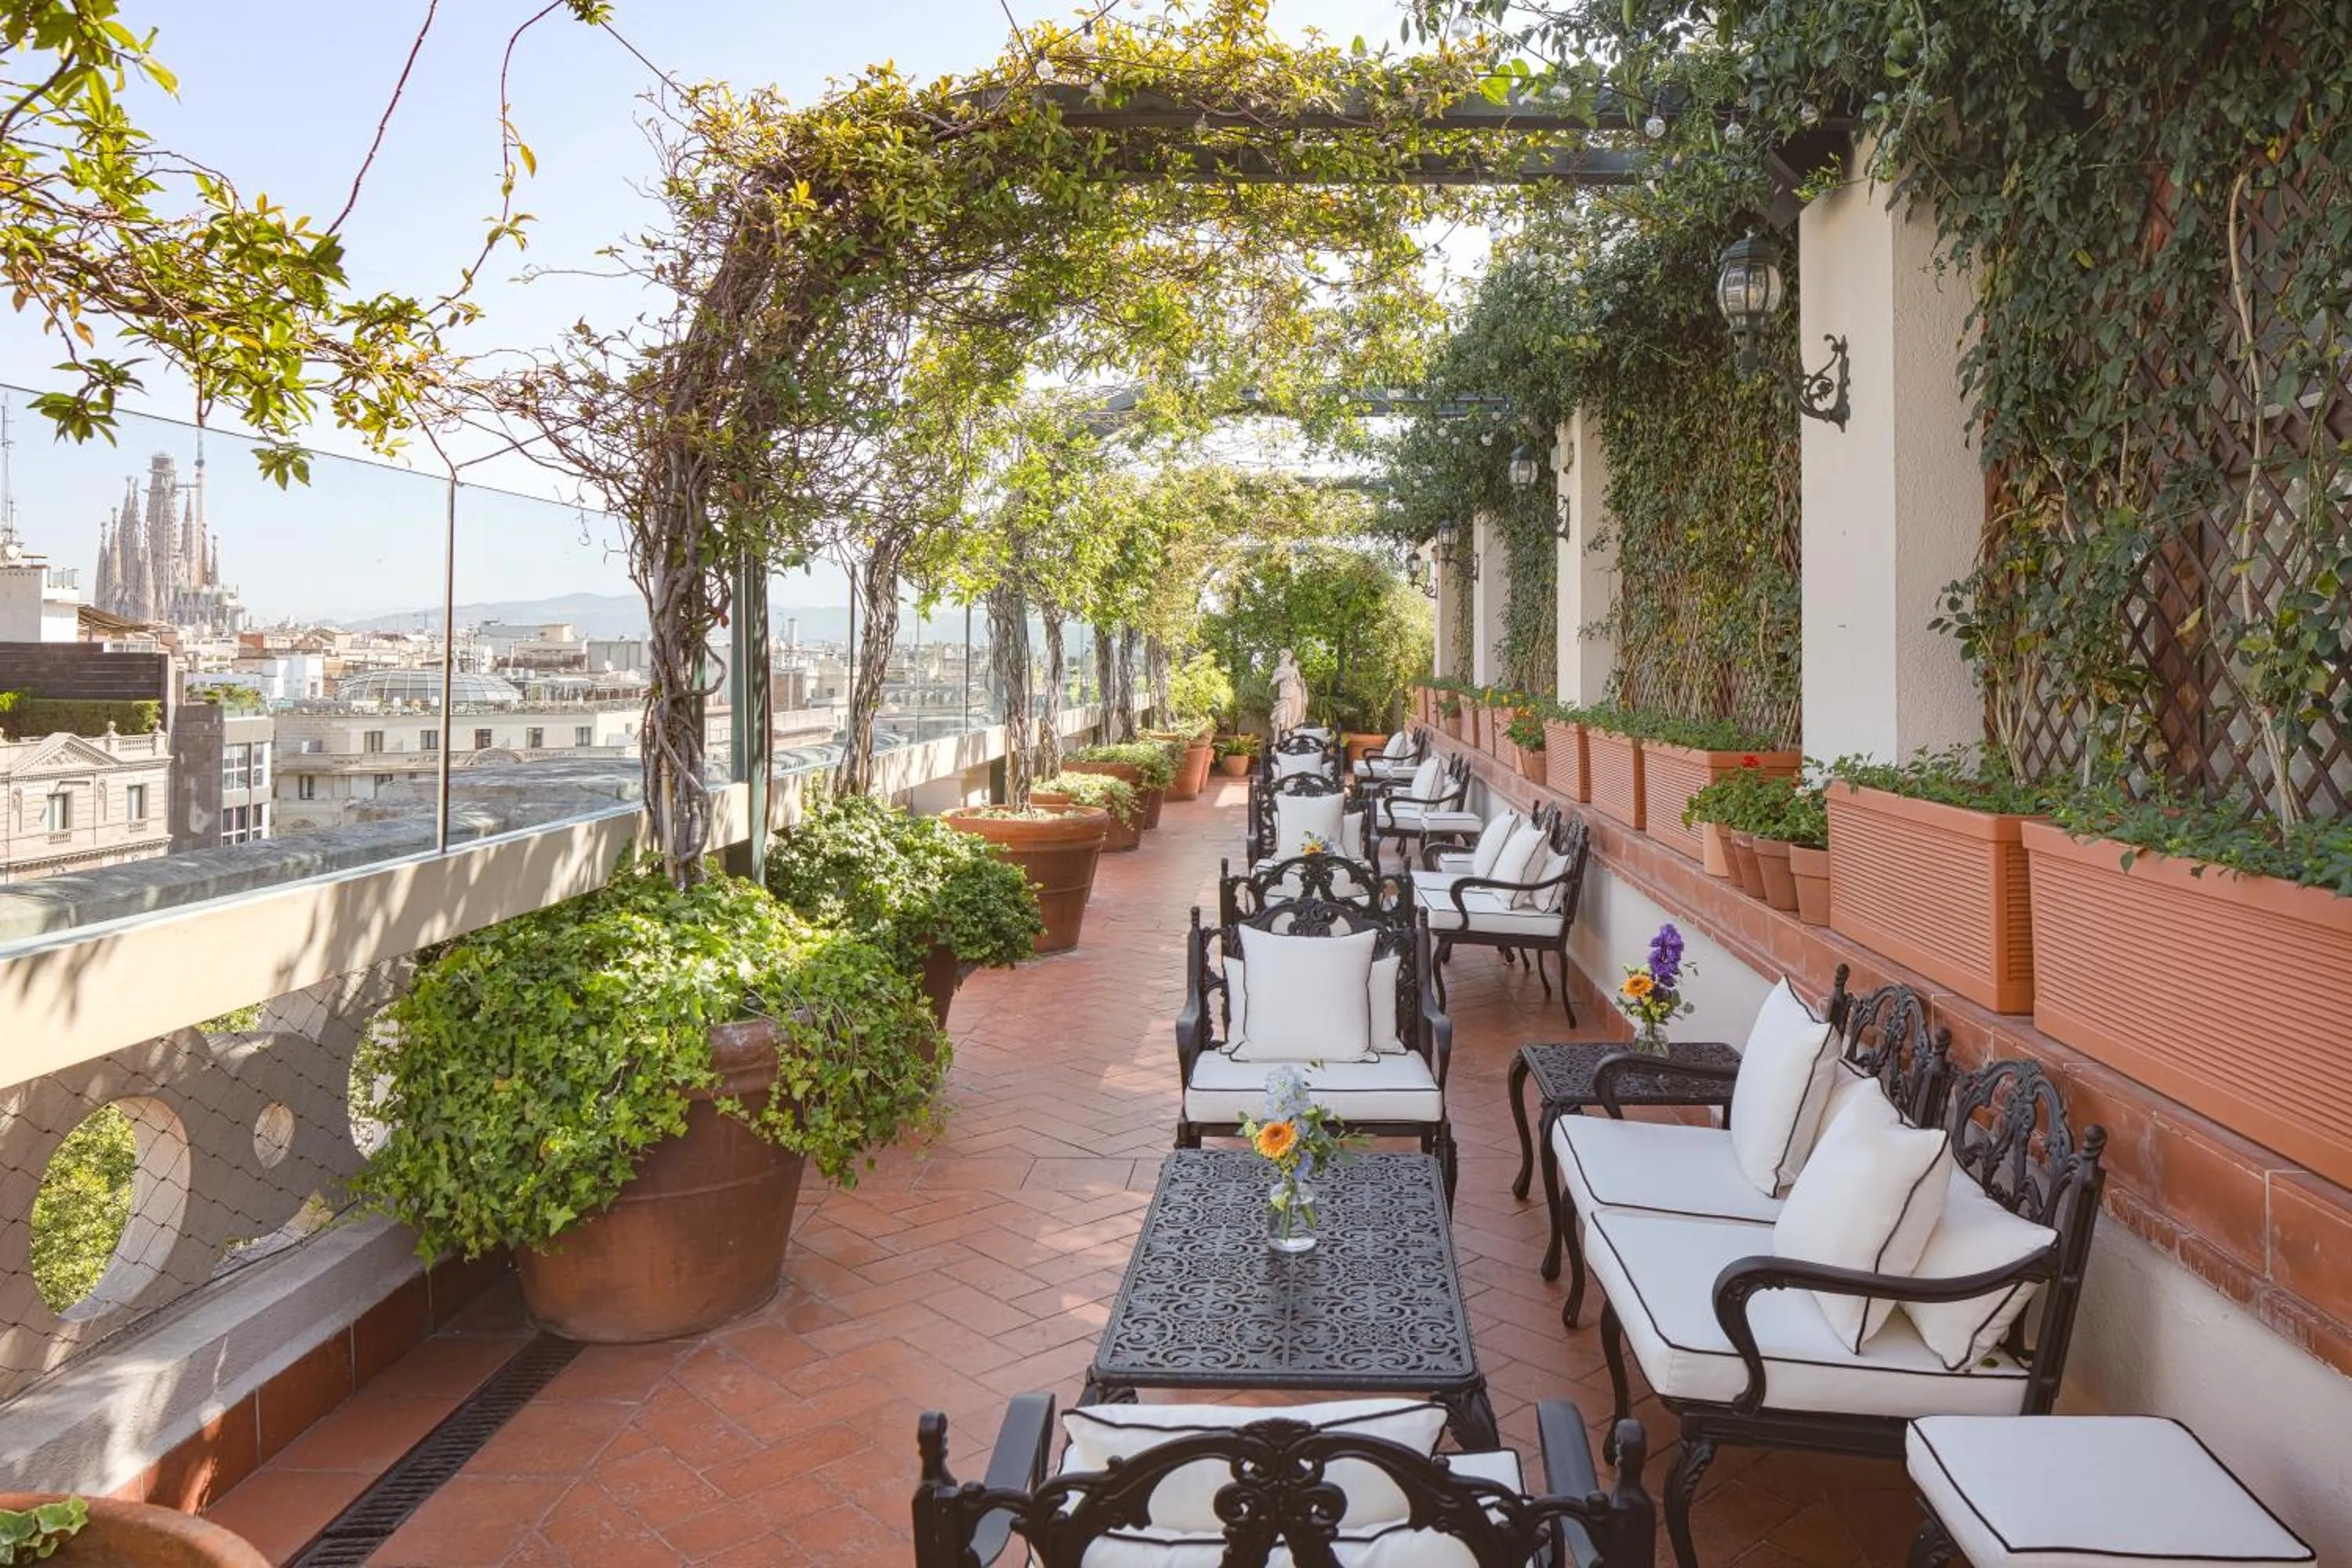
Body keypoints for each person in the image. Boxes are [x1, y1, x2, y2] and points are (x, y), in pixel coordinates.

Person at [1269, 648, 1309, 735]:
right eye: (1283, 656)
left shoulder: (1294, 669)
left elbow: (1299, 682)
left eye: (1287, 656)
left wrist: (1303, 685)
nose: (1285, 659)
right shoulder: (1279, 670)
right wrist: (1285, 674)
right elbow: (1273, 682)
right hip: (1286, 696)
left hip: (1297, 695)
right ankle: (1285, 737)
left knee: (1297, 718)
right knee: (1285, 717)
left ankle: (1294, 736)